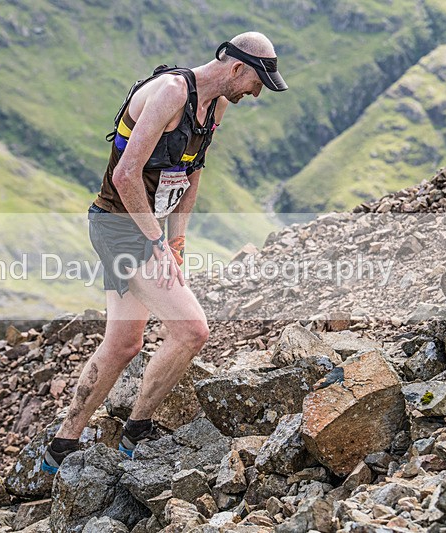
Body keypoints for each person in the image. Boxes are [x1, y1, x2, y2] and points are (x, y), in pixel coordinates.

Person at [41, 31, 287, 474]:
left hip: (146, 228)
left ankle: (61, 447)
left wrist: (177, 242)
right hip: (120, 225)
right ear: (237, 68)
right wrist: (157, 242)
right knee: (193, 331)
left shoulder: (216, 106)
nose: (256, 93)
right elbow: (126, 175)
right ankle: (136, 435)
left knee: (123, 344)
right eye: (256, 83)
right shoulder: (171, 93)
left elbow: (192, 174)